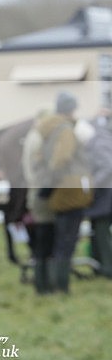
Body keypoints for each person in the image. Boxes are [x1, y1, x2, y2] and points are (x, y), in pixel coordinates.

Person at [34, 92, 92, 293]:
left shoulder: (49, 129)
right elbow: (62, 158)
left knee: (61, 242)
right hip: (70, 193)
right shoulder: (66, 129)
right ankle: (62, 286)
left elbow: (42, 159)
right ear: (70, 109)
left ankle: (56, 284)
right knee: (66, 243)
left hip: (60, 191)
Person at [21, 108, 58, 294]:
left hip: (35, 193)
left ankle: (43, 283)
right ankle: (44, 285)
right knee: (45, 241)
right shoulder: (39, 139)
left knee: (42, 242)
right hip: (41, 195)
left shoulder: (32, 137)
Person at [83, 110, 112, 278]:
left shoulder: (99, 140)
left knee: (101, 231)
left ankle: (107, 267)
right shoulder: (104, 137)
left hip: (104, 195)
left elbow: (107, 166)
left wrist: (92, 185)